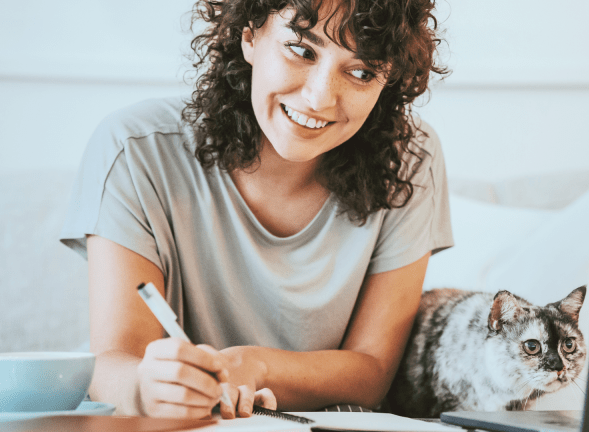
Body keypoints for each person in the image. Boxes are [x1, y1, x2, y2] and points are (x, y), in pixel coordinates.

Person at [59, 0, 451, 419]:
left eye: (361, 72)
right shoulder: (135, 151)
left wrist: (257, 366)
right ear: (249, 34)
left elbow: (372, 372)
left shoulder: (409, 159)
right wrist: (145, 387)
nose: (319, 97)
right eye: (302, 50)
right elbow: (114, 361)